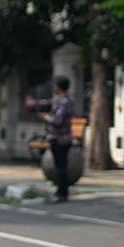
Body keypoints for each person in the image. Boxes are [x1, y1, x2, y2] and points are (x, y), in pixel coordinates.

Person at [44, 76, 74, 204]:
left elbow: (58, 121)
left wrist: (47, 118)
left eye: (55, 85)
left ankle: (61, 193)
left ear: (59, 87)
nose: (54, 88)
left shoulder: (62, 101)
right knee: (62, 166)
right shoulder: (68, 100)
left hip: (59, 138)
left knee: (60, 166)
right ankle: (62, 192)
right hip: (64, 137)